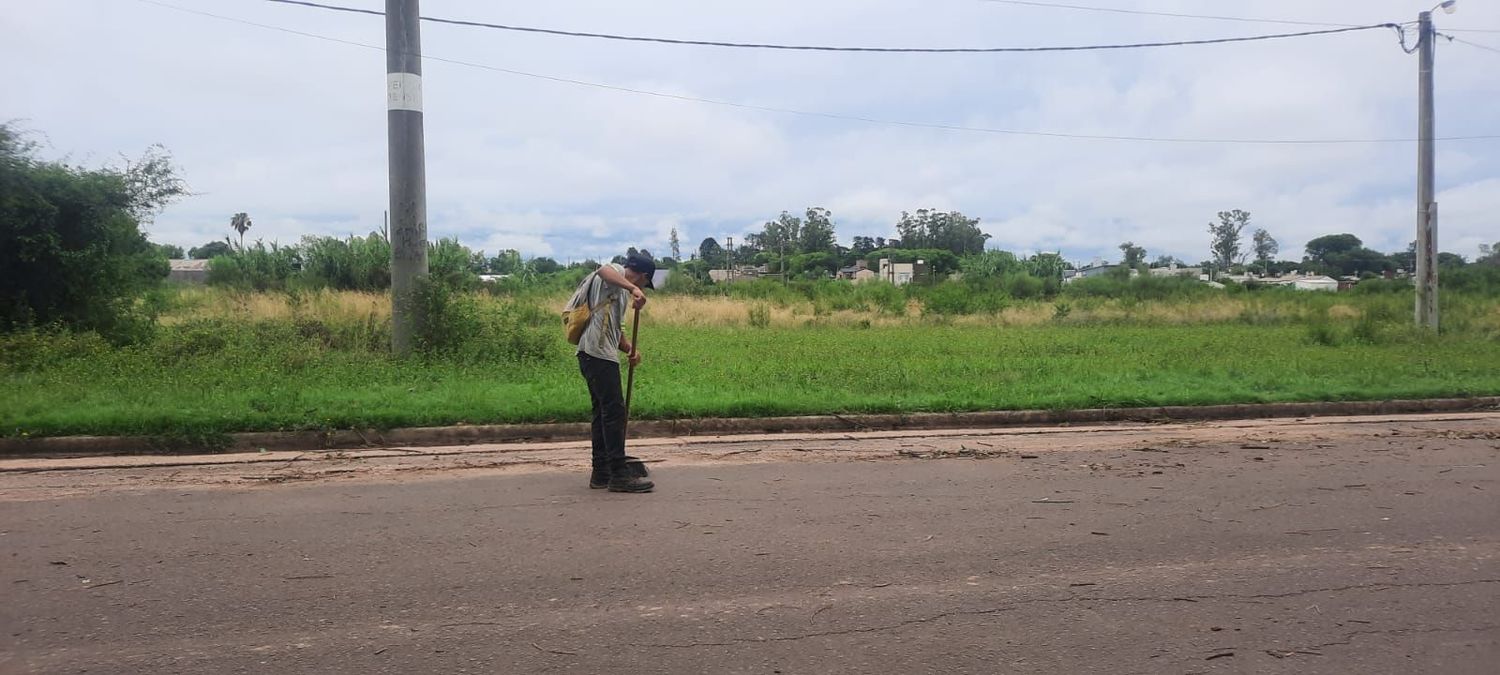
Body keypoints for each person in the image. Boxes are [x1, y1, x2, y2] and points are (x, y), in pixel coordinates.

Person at [570, 252, 656, 493]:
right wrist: (632, 289)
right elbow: (602, 269)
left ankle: (601, 472)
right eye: (643, 284)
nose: (641, 288)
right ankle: (619, 474)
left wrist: (630, 349)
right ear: (642, 276)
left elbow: (615, 331)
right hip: (596, 354)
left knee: (603, 414)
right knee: (614, 413)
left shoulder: (617, 292)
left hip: (597, 354)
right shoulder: (616, 272)